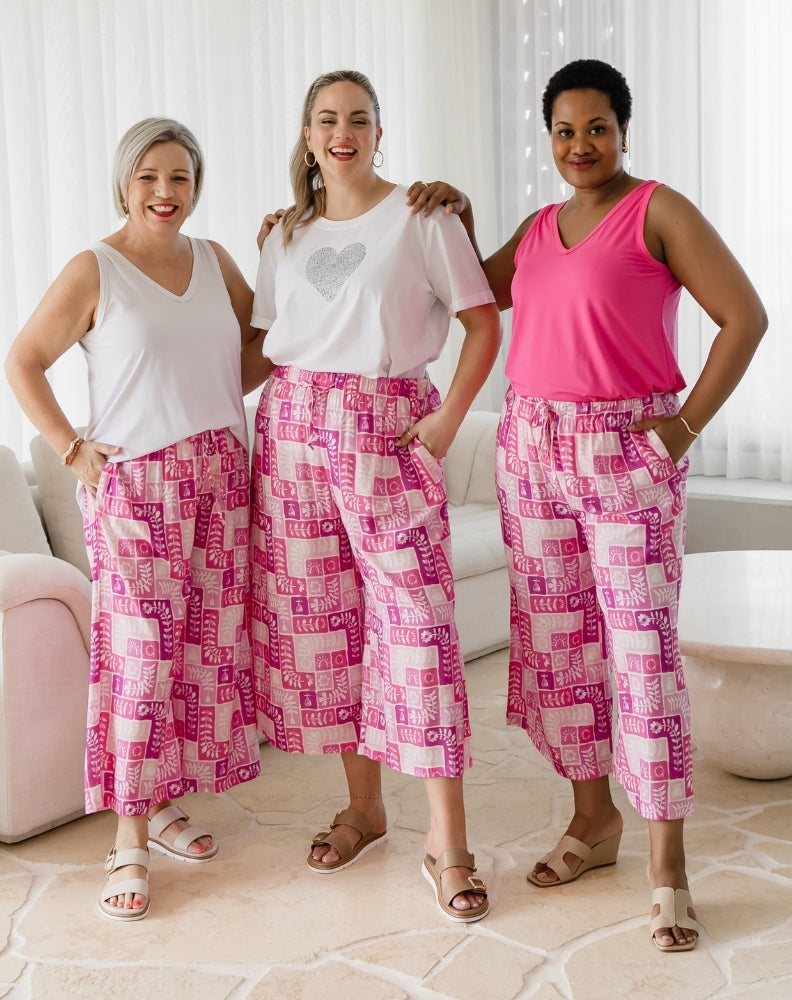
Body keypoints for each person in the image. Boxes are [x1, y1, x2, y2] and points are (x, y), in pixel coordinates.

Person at [407, 58, 767, 950]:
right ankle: (593, 822)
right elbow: (456, 290)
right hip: (531, 449)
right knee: (562, 649)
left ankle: (667, 867)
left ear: (624, 129)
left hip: (626, 453)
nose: (580, 146)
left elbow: (746, 317)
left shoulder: (660, 211)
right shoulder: (535, 229)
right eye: (564, 131)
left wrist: (679, 432)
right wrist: (440, 214)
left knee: (642, 656)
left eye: (596, 127)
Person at [247, 70, 501, 923]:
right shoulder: (283, 234)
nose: (342, 132)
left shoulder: (423, 216)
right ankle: (364, 806)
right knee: (324, 625)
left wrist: (447, 423)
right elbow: (261, 345)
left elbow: (482, 321)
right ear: (308, 133)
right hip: (290, 428)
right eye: (327, 119)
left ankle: (448, 842)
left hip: (386, 425)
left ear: (380, 132)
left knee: (418, 626)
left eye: (358, 118)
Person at [4, 118, 264, 921]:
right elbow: (23, 359)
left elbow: (260, 349)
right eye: (150, 176)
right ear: (125, 182)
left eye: (181, 177)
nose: (165, 192)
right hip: (136, 484)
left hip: (221, 469)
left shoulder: (216, 261)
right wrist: (71, 447)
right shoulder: (97, 268)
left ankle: (166, 805)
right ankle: (126, 837)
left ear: (196, 185)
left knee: (203, 650)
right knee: (142, 658)